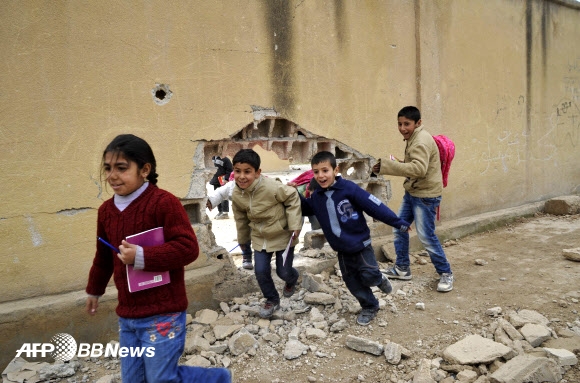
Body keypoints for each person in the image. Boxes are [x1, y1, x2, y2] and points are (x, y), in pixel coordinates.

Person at [85, 134, 231, 383]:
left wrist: (141, 256)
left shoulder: (164, 203)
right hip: (128, 316)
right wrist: (94, 290)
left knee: (161, 379)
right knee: (134, 380)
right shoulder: (106, 212)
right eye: (108, 168)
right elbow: (103, 256)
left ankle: (215, 379)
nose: (112, 175)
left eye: (121, 168)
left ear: (145, 170)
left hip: (163, 314)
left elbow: (187, 248)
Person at [299, 151, 411, 326]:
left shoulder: (349, 189)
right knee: (352, 283)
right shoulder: (317, 197)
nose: (320, 175)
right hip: (342, 250)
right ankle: (370, 306)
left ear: (335, 170)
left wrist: (398, 223)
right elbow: (305, 209)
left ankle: (379, 279)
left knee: (369, 275)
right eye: (316, 171)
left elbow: (375, 206)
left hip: (360, 244)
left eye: (325, 170)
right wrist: (291, 195)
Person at [372, 106, 454, 292]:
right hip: (414, 192)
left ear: (418, 123)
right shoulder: (415, 137)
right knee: (399, 226)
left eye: (406, 124)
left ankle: (446, 273)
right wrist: (400, 164)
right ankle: (402, 269)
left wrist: (388, 166)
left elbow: (419, 169)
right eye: (399, 124)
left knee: (426, 236)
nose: (402, 128)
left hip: (425, 196)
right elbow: (418, 166)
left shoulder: (420, 141)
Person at [230, 149, 302, 319]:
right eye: (237, 171)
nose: (241, 176)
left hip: (282, 235)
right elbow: (240, 219)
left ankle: (293, 279)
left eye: (247, 171)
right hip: (260, 238)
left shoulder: (271, 187)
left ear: (257, 173)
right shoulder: (237, 194)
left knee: (283, 272)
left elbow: (292, 197)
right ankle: (272, 299)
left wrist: (294, 225)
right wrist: (244, 241)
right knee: (261, 271)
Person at [206, 172, 253, 270]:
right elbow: (220, 193)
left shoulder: (260, 182)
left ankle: (264, 259)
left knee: (261, 235)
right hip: (241, 214)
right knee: (243, 235)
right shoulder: (232, 184)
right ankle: (247, 257)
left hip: (260, 213)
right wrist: (210, 201)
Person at [209, 155, 233, 220]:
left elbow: (230, 170)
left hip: (223, 181)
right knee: (217, 196)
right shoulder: (213, 158)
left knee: (224, 196)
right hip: (216, 181)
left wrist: (226, 179)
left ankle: (225, 212)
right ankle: (220, 211)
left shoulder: (226, 159)